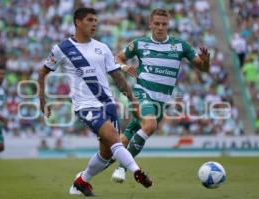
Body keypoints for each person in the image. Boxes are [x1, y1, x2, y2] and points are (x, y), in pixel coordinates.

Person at [38, 7, 152, 197]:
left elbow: (118, 77)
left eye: (96, 21)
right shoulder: (62, 49)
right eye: (90, 20)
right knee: (115, 139)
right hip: (85, 106)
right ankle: (137, 172)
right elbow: (42, 73)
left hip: (108, 105)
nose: (94, 24)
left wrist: (132, 100)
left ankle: (81, 181)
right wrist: (42, 100)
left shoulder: (103, 48)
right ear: (78, 22)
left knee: (107, 154)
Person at [111, 9, 211, 183]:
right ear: (150, 24)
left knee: (121, 142)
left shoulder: (180, 46)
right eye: (156, 23)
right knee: (150, 125)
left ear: (168, 25)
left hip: (161, 102)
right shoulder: (140, 44)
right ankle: (122, 169)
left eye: (164, 24)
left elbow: (203, 68)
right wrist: (124, 67)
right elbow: (117, 58)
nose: (160, 27)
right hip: (141, 94)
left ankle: (85, 175)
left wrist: (206, 61)